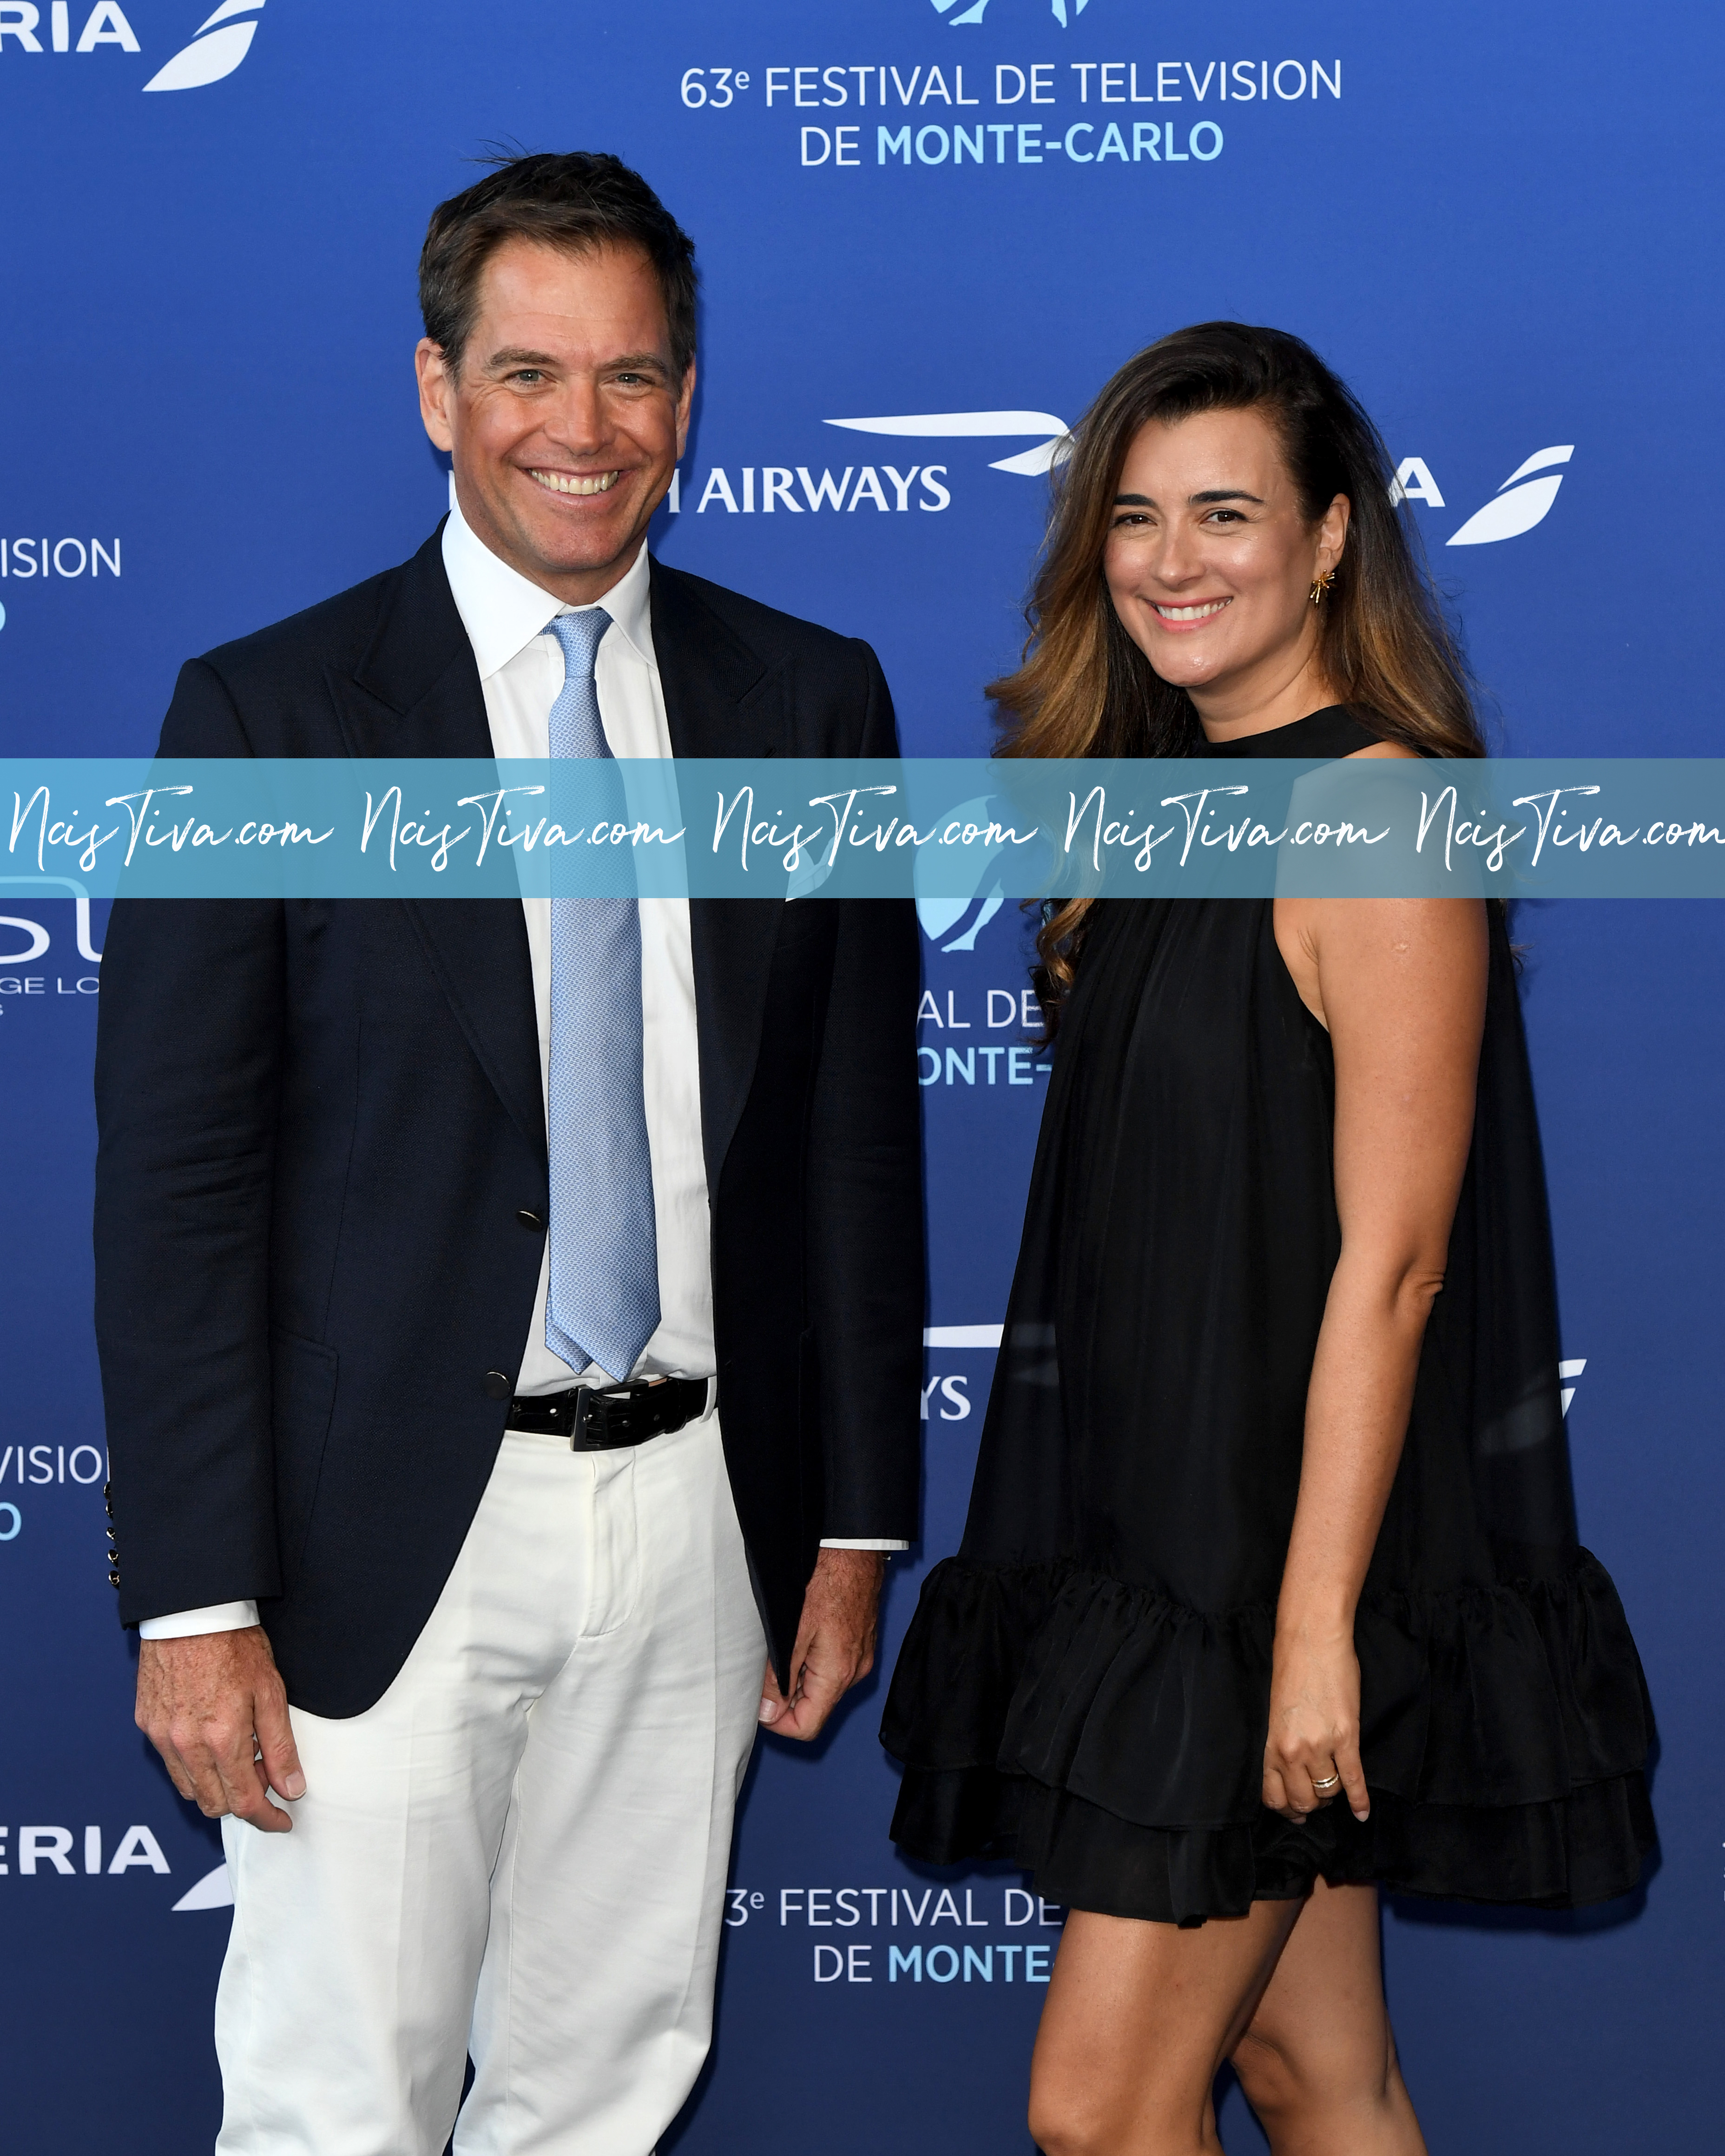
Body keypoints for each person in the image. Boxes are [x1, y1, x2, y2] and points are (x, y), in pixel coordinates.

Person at [94, 151, 922, 2156]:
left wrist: (853, 1516)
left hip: (699, 1515)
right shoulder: (271, 716)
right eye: (530, 372)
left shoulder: (805, 702)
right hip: (378, 1540)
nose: (584, 429)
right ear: (436, 390)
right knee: (334, 2097)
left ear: (690, 401)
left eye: (633, 377)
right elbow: (179, 1186)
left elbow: (848, 1141)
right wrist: (194, 1593)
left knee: (610, 2085)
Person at [882, 322, 1653, 2156]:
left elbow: (1392, 1267)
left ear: (1326, 540)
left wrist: (1310, 1630)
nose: (1170, 560)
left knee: (1099, 2104)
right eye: (1133, 518)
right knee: (1319, 2073)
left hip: (1267, 1577)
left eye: (1224, 511)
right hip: (1174, 1546)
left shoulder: (1375, 808)